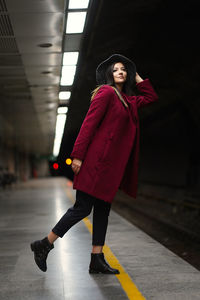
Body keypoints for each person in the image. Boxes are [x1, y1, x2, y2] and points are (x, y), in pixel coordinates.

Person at [30, 54, 158, 274]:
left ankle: (96, 258)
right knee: (82, 208)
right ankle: (44, 244)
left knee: (102, 211)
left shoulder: (128, 101)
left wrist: (136, 74)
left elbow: (151, 97)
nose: (121, 72)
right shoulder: (106, 93)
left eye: (124, 69)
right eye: (116, 69)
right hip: (96, 163)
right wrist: (78, 155)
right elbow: (89, 124)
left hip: (110, 168)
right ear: (108, 74)